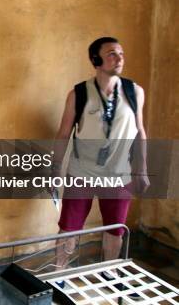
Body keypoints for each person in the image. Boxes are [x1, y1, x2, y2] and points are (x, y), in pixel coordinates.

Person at [51, 37, 148, 285]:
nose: (119, 58)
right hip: (81, 172)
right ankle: (59, 271)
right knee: (69, 226)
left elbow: (140, 131)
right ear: (96, 60)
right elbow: (63, 134)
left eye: (121, 53)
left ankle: (110, 270)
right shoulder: (79, 93)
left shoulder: (134, 92)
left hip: (119, 174)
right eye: (112, 53)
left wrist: (141, 170)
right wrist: (54, 170)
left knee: (115, 228)